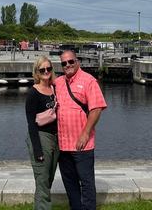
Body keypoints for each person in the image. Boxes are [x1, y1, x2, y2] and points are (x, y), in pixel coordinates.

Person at [55, 50, 107, 210]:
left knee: (86, 181)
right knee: (69, 182)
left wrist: (85, 134)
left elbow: (96, 109)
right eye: (64, 63)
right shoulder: (58, 82)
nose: (67, 65)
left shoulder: (88, 81)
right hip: (63, 145)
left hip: (82, 144)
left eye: (70, 61)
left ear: (77, 61)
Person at [25, 55, 59, 210]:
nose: (46, 72)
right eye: (42, 69)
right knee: (42, 179)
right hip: (40, 136)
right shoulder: (33, 93)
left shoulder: (54, 88)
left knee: (48, 178)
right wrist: (37, 149)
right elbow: (31, 124)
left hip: (55, 138)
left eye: (48, 69)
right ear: (37, 72)